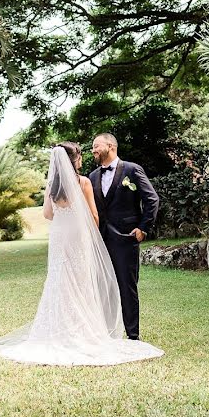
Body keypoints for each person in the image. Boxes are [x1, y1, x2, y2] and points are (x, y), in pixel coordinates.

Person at [0, 143, 163, 366]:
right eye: (79, 156)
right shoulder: (84, 182)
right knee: (80, 282)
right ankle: (85, 331)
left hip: (59, 236)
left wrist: (64, 217)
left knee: (59, 281)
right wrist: (90, 233)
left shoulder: (52, 185)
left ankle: (59, 331)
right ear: (73, 159)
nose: (82, 159)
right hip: (78, 236)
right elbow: (94, 216)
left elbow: (47, 214)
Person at [88, 133, 159, 340]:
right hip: (101, 241)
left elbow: (152, 199)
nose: (93, 150)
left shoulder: (132, 170)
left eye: (96, 146)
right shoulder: (92, 177)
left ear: (110, 146)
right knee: (103, 288)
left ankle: (133, 336)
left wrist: (143, 228)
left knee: (127, 288)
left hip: (126, 238)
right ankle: (108, 334)